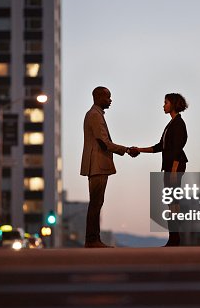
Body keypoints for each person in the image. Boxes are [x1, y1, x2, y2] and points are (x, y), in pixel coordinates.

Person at [80, 86, 139, 248]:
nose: (110, 100)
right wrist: (126, 150)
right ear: (98, 97)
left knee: (97, 202)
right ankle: (92, 239)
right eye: (107, 97)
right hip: (97, 164)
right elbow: (103, 142)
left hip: (97, 164)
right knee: (96, 203)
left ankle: (93, 239)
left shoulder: (95, 114)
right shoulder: (94, 115)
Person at [134, 93, 188, 246]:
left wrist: (173, 170)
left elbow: (178, 148)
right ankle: (174, 237)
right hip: (170, 167)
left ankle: (175, 238)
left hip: (174, 167)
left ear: (173, 104)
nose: (163, 105)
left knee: (173, 203)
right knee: (171, 203)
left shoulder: (178, 124)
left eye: (166, 102)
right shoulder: (172, 124)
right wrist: (140, 149)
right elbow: (160, 147)